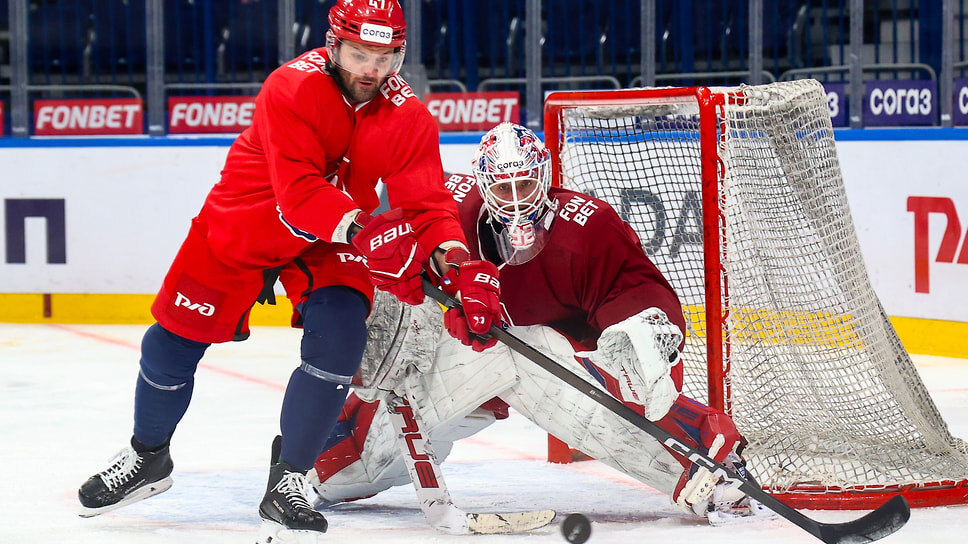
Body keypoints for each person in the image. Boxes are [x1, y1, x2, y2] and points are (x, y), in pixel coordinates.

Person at [76, 1, 501, 542]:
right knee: (170, 345)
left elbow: (428, 203)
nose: (371, 70)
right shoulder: (291, 88)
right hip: (248, 220)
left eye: (385, 57)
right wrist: (369, 235)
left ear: (400, 55)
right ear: (333, 46)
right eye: (358, 54)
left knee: (340, 336)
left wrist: (459, 264)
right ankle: (147, 457)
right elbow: (298, 194)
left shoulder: (408, 115)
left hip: (332, 238)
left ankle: (291, 479)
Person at [309, 122, 767, 524]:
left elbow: (636, 295)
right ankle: (316, 462)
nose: (515, 202)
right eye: (503, 189)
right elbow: (374, 256)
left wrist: (642, 338)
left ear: (545, 178)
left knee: (535, 356)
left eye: (525, 187)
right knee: (351, 470)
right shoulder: (448, 214)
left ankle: (701, 467)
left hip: (532, 365)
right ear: (484, 185)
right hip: (438, 360)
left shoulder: (586, 229)